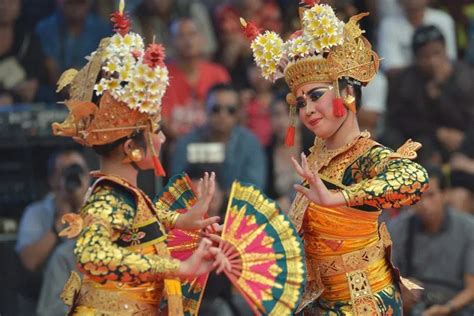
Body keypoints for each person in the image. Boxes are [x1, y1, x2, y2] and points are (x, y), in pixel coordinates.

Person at [243, 1, 428, 314]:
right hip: (321, 300)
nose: (308, 110)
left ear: (348, 93)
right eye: (299, 103)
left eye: (316, 96)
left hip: (363, 301)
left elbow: (415, 179)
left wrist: (339, 197)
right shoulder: (316, 156)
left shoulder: (365, 156)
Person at [51, 4, 229, 314]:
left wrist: (181, 220)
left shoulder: (123, 191)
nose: (161, 138)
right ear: (132, 148)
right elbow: (92, 253)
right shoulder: (111, 196)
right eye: (155, 131)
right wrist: (176, 267)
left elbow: (136, 226)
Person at [388, 166, 474, 315]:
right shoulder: (399, 227)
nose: (424, 204)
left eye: (431, 195)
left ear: (445, 194)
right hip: (416, 303)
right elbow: (386, 276)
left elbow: (471, 288)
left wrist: (447, 309)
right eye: (418, 196)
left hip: (456, 305)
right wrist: (402, 286)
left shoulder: (467, 227)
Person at [15, 149, 89, 315]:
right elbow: (29, 262)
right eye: (65, 172)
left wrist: (82, 209)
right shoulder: (36, 212)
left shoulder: (100, 208)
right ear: (52, 179)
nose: (73, 177)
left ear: (88, 177)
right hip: (50, 298)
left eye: (77, 171)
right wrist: (58, 224)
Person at [385, 25, 474, 161]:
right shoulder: (406, 80)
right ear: (416, 58)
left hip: (462, 138)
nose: (432, 61)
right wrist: (438, 132)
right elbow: (400, 120)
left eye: (436, 53)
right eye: (425, 56)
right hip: (423, 141)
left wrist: (441, 96)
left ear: (445, 51)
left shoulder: (465, 76)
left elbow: (465, 118)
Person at [171, 84, 267, 192]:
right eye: (216, 109)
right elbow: (177, 186)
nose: (223, 115)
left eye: (231, 110)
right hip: (196, 204)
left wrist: (223, 197)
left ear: (239, 113)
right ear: (205, 108)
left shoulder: (250, 144)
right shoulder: (187, 142)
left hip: (237, 207)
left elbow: (255, 189)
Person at [161, 17, 230, 140]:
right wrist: (185, 144)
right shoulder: (161, 75)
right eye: (181, 36)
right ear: (171, 42)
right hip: (174, 145)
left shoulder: (218, 73)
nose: (188, 41)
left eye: (192, 34)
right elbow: (162, 121)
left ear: (202, 39)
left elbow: (227, 116)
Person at [35, 0, 110, 88]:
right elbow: (50, 67)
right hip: (55, 91)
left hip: (92, 89)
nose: (75, 7)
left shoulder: (102, 29)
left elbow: (105, 66)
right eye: (70, 2)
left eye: (79, 2)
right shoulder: (45, 29)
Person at [378, 0, 456, 73]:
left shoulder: (443, 20)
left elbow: (450, 60)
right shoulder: (388, 25)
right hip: (405, 83)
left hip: (441, 79)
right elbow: (391, 69)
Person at [0, 0, 50, 105]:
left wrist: (31, 85)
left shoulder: (28, 38)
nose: (4, 7)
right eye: (1, 2)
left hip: (19, 102)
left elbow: (36, 73)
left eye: (11, 2)